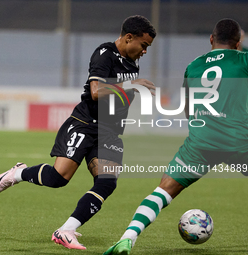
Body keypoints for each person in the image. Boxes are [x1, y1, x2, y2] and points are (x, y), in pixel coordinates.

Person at [0, 15, 156, 250]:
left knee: (107, 182)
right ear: (129, 38)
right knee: (58, 179)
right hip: (86, 124)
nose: (145, 51)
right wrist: (131, 86)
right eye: (144, 45)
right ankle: (18, 174)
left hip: (109, 132)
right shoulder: (104, 54)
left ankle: (66, 230)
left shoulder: (132, 61)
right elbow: (96, 91)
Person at [104, 18, 248, 255]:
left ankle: (127, 237)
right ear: (239, 43)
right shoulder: (243, 60)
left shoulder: (193, 66)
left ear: (211, 39)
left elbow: (189, 111)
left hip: (201, 142)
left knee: (163, 190)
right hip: (239, 140)